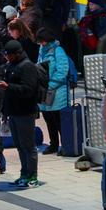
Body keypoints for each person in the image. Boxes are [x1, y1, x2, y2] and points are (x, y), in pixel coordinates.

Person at [0, 40, 40, 188]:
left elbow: (29, 89)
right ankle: (24, 174)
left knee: (28, 145)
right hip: (13, 112)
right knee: (19, 145)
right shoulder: (11, 66)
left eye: (8, 55)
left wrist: (9, 86)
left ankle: (33, 175)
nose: (6, 58)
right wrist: (5, 112)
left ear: (17, 54)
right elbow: (8, 93)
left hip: (25, 112)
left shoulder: (27, 66)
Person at [36, 27, 69, 155]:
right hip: (45, 89)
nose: (41, 43)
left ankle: (65, 145)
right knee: (48, 119)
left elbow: (62, 70)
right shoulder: (42, 49)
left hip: (57, 90)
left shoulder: (58, 50)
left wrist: (51, 85)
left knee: (58, 120)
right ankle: (53, 144)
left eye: (42, 41)